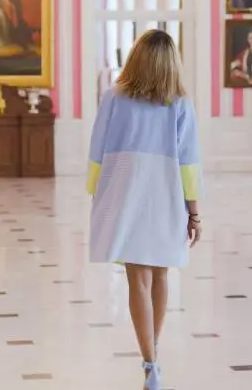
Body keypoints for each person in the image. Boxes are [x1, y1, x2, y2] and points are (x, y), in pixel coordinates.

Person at [86, 29, 203, 390]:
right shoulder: (180, 104)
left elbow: (97, 149)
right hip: (166, 191)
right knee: (161, 274)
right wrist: (194, 212)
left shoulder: (114, 97)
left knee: (138, 277)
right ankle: (154, 353)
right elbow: (189, 161)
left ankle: (150, 362)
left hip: (125, 190)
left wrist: (97, 193)